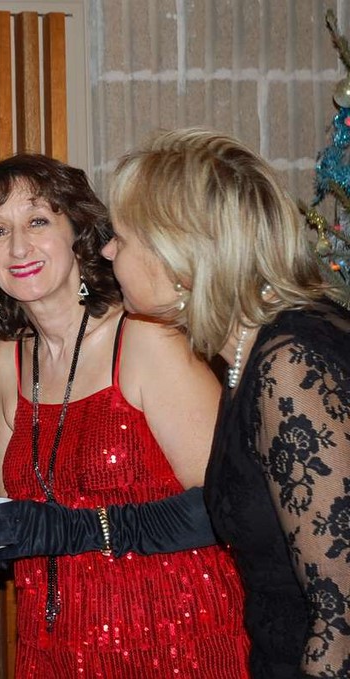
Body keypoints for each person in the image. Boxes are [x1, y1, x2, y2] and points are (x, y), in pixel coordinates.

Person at [0, 153, 251, 678]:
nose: (18, 247)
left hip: (175, 639)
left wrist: (78, 529)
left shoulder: (144, 340)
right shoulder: (7, 362)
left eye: (37, 221)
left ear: (78, 232)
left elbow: (230, 506)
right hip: (52, 647)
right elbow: (24, 516)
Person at [104, 128, 350, 678]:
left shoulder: (291, 364)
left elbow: (341, 619)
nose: (106, 251)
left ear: (178, 258)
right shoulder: (249, 355)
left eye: (120, 238)